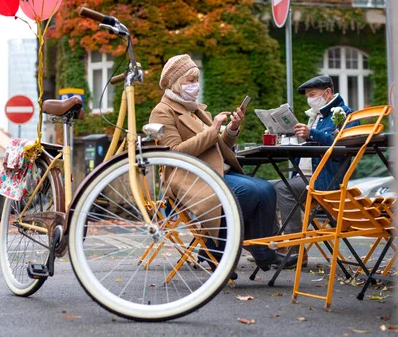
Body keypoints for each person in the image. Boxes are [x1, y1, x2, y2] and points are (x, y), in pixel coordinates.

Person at [149, 54, 297, 273]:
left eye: (196, 80)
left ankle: (262, 253)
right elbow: (174, 153)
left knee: (266, 189)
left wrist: (232, 129)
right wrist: (212, 129)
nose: (196, 85)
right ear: (176, 83)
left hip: (216, 172)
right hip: (190, 178)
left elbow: (217, 145)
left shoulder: (196, 110)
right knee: (245, 193)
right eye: (190, 80)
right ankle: (216, 251)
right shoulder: (162, 111)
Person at [272, 75, 357, 267]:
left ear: (327, 93)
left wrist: (312, 134)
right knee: (265, 189)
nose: (310, 99)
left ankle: (295, 252)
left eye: (313, 94)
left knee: (283, 188)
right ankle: (275, 246)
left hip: (324, 181)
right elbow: (308, 149)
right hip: (305, 177)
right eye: (308, 96)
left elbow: (342, 147)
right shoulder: (317, 117)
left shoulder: (344, 114)